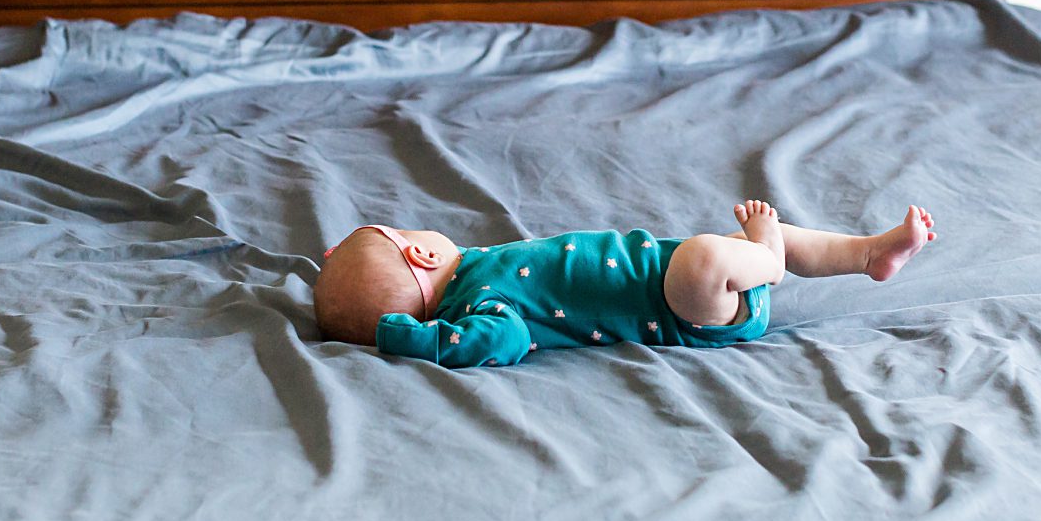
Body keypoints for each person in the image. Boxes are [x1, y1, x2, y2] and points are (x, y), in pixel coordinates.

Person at [313, 199, 935, 368]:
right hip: (682, 303)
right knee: (707, 258)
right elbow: (494, 344)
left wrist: (356, 276)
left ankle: (870, 253)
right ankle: (769, 260)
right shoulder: (480, 302)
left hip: (683, 276)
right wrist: (413, 339)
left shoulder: (479, 267)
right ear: (421, 253)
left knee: (750, 243)